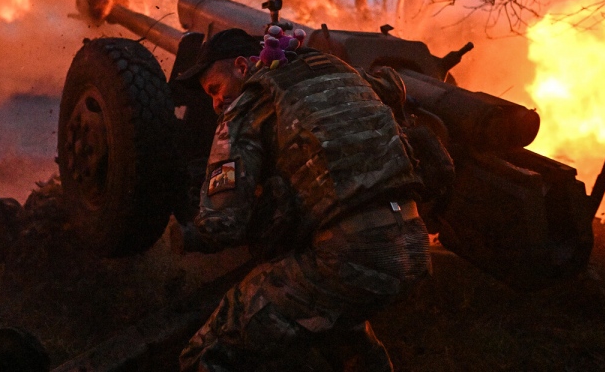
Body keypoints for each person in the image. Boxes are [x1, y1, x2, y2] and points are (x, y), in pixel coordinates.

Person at [173, 28, 433, 372]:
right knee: (342, 333)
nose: (216, 103)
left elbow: (223, 223)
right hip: (412, 247)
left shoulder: (246, 105)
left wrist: (190, 233)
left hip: (346, 256)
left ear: (241, 66)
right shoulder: (343, 74)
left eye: (215, 89)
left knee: (205, 354)